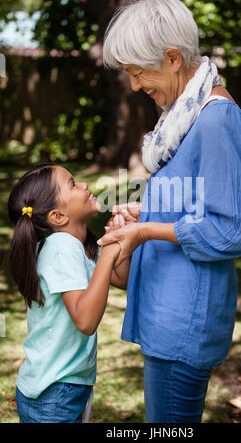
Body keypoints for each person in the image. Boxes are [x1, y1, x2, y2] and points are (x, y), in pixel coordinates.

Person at [100, 0, 241, 423]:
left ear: (172, 57)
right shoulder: (183, 118)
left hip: (183, 321)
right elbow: (196, 203)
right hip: (166, 313)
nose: (135, 86)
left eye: (138, 73)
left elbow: (235, 228)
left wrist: (148, 233)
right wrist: (146, 215)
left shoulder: (215, 119)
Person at [8, 163, 130, 423]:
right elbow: (85, 321)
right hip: (54, 392)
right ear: (58, 217)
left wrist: (119, 240)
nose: (84, 185)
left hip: (64, 385)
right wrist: (109, 254)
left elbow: (122, 278)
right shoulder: (62, 247)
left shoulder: (76, 244)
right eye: (73, 184)